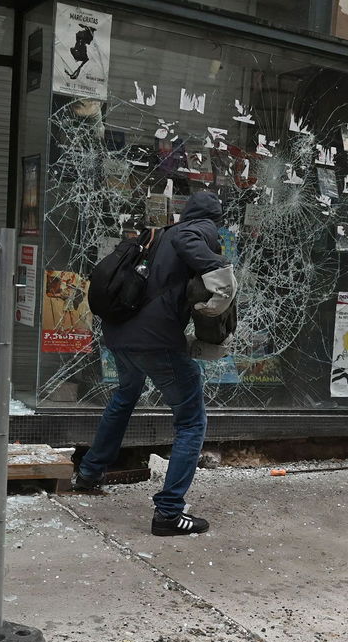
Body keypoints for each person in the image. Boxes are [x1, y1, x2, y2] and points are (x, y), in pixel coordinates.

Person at [73, 191, 228, 535]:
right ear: (213, 219)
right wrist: (221, 275)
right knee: (191, 422)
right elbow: (195, 246)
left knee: (124, 397)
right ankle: (169, 513)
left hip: (121, 336)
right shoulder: (194, 231)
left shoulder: (157, 235)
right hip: (155, 342)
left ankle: (88, 473)